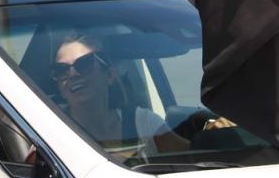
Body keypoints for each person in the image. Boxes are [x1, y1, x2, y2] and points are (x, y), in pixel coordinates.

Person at [50, 32, 186, 163]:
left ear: (109, 75)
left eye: (84, 64)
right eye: (61, 70)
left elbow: (191, 160)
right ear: (59, 88)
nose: (72, 74)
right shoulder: (49, 131)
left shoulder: (143, 124)